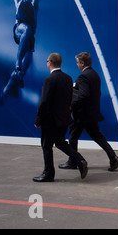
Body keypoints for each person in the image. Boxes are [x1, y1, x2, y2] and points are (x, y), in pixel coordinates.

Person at [59, 52, 118, 172]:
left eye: (77, 62)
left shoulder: (83, 76)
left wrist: (71, 106)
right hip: (92, 112)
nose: (76, 65)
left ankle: (73, 162)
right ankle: (113, 157)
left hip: (82, 114)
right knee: (97, 136)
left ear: (82, 63)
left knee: (73, 136)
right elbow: (97, 93)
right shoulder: (94, 74)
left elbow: (83, 95)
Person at [34, 53, 88, 182]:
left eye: (47, 61)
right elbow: (70, 97)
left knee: (46, 145)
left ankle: (48, 173)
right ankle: (79, 159)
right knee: (59, 142)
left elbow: (44, 101)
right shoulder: (68, 78)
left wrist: (38, 119)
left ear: (50, 63)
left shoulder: (49, 79)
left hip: (50, 120)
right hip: (63, 118)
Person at [1, 0, 39, 104]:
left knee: (22, 70)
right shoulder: (18, 1)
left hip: (30, 39)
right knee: (27, 30)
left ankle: (5, 91)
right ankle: (17, 62)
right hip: (19, 30)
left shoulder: (35, 5)